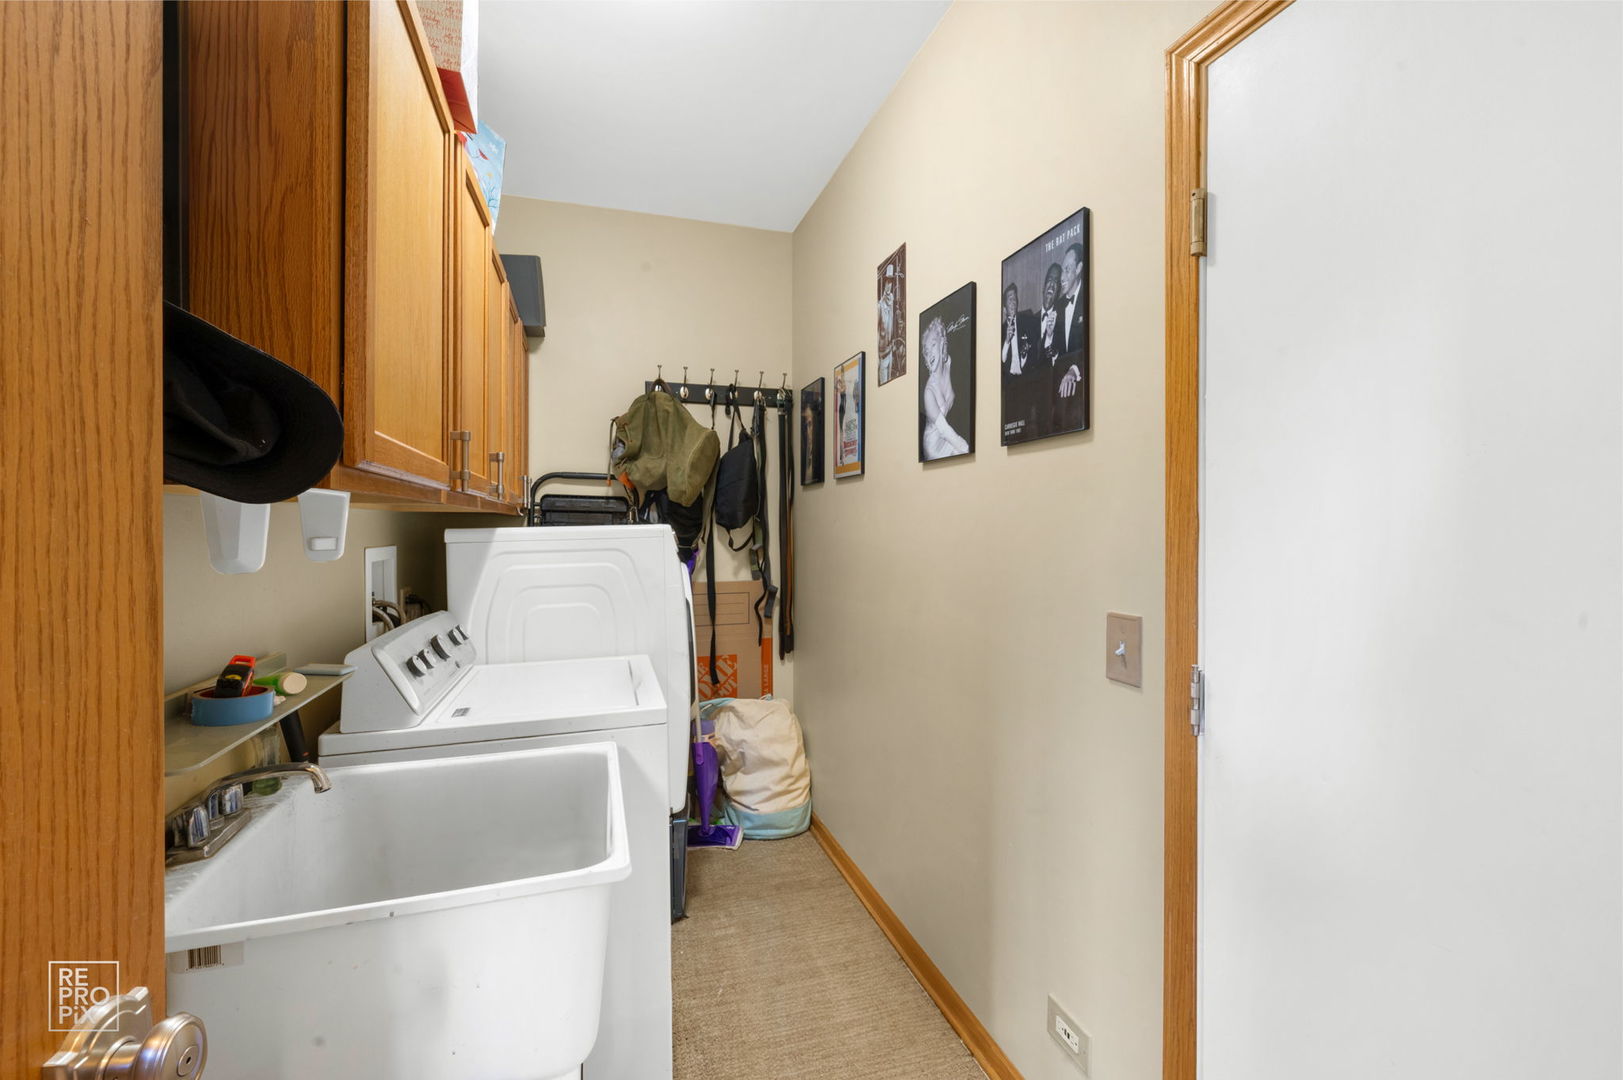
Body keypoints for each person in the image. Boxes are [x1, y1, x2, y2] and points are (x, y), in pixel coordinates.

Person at [920, 316, 969, 460]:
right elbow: (944, 430)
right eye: (926, 351)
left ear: (941, 343)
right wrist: (967, 448)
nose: (930, 354)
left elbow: (953, 331)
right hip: (934, 447)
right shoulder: (929, 393)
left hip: (949, 437)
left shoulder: (948, 362)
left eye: (933, 345)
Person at [1000, 282, 1040, 440]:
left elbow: (1035, 345)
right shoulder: (1000, 331)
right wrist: (1007, 341)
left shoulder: (1027, 321)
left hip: (1027, 380)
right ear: (1004, 308)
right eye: (1010, 299)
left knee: (1030, 427)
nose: (1013, 301)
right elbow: (1001, 361)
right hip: (1010, 385)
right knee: (1013, 430)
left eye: (1015, 298)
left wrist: (1024, 355)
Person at [877, 261, 905, 382]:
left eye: (891, 282)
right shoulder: (879, 306)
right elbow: (877, 331)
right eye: (888, 282)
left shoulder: (892, 303)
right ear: (884, 284)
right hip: (882, 354)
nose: (889, 286)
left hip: (890, 350)